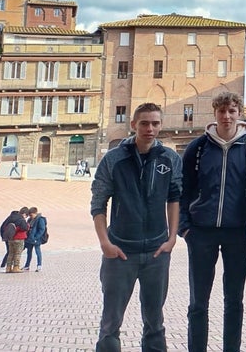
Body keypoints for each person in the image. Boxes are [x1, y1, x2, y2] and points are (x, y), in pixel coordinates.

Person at [90, 102, 182, 352]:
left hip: (156, 251)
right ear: (133, 125)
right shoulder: (114, 159)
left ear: (161, 125)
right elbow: (98, 203)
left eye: (155, 123)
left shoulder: (170, 159)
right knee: (111, 322)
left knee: (155, 322)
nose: (150, 128)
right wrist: (105, 243)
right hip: (120, 252)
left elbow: (174, 198)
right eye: (144, 123)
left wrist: (172, 238)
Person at [180, 91, 246, 352]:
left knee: (234, 301)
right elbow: (183, 188)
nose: (226, 116)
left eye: (231, 111)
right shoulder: (198, 147)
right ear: (215, 113)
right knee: (198, 302)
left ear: (239, 114)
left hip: (237, 233)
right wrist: (184, 227)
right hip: (201, 232)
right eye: (222, 111)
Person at [1, 207, 29, 273]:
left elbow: (3, 227)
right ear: (24, 214)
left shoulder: (10, 217)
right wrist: (27, 225)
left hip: (10, 239)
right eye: (26, 216)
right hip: (19, 239)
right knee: (17, 253)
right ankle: (16, 267)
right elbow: (25, 228)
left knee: (10, 253)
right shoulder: (21, 219)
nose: (25, 217)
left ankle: (8, 267)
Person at [23, 206, 47, 272]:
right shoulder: (29, 219)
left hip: (36, 239)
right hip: (29, 239)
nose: (30, 216)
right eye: (29, 215)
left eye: (31, 215)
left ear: (35, 213)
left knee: (37, 252)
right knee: (29, 253)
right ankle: (27, 266)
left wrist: (35, 237)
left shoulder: (40, 219)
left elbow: (42, 230)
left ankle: (39, 266)